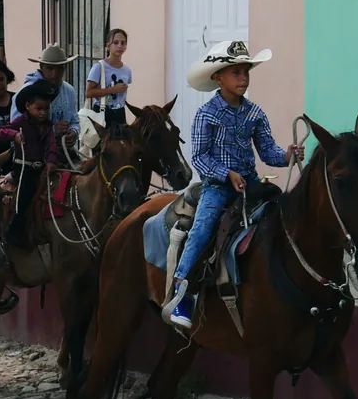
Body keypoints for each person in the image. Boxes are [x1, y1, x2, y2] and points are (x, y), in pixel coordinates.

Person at [162, 40, 304, 331]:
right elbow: (199, 157)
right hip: (217, 186)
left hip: (250, 183)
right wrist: (226, 174)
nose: (243, 78)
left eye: (246, 72)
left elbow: (267, 152)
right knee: (202, 230)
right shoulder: (207, 114)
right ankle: (182, 294)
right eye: (236, 72)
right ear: (218, 77)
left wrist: (287, 155)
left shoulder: (255, 113)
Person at [0, 82, 60, 249]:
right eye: (39, 109)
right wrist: (15, 134)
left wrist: (52, 161)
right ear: (27, 106)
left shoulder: (48, 126)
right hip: (23, 168)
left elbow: (52, 144)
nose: (43, 112)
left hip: (40, 168)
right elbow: (1, 132)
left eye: (46, 109)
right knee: (25, 196)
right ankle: (13, 231)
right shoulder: (20, 122)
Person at [22, 44, 81, 160]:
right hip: (34, 155)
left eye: (60, 68)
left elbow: (74, 120)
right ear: (41, 67)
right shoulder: (26, 92)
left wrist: (73, 132)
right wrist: (52, 131)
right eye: (50, 68)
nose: (55, 73)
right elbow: (19, 129)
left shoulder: (69, 91)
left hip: (64, 152)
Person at [85, 28, 132, 128]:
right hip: (102, 112)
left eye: (123, 43)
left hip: (119, 113)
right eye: (115, 42)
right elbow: (88, 93)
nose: (119, 46)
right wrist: (113, 90)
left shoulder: (127, 70)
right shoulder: (99, 67)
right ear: (108, 46)